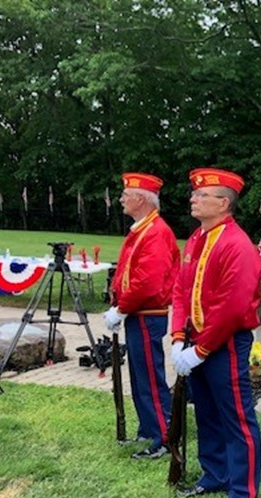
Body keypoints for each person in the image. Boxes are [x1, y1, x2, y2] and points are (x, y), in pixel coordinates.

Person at [169, 167, 261, 498]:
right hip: (196, 340)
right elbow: (181, 290)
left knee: (236, 417)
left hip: (225, 343)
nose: (193, 199)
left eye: (202, 195)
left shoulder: (236, 245)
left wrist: (200, 349)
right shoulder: (196, 238)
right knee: (206, 412)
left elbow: (232, 307)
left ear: (223, 203)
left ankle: (242, 494)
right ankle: (214, 475)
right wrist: (179, 338)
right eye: (194, 193)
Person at [102, 172, 181, 459]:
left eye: (126, 194)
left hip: (147, 313)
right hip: (139, 313)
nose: (121, 199)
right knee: (139, 376)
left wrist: (120, 308)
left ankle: (163, 437)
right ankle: (149, 428)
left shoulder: (155, 232)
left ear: (141, 199)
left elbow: (147, 282)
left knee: (149, 377)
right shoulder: (144, 228)